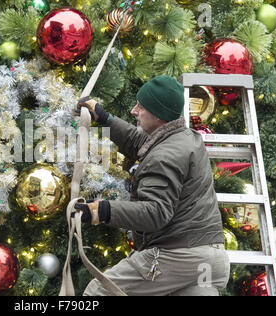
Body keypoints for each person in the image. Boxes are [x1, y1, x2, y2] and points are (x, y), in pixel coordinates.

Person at [73, 75, 230, 296]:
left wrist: (102, 210)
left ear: (158, 115)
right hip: (210, 261)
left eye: (141, 107)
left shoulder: (165, 156)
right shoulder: (184, 137)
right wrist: (105, 119)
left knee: (100, 291)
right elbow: (142, 145)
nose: (134, 111)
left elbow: (155, 213)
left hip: (178, 255)